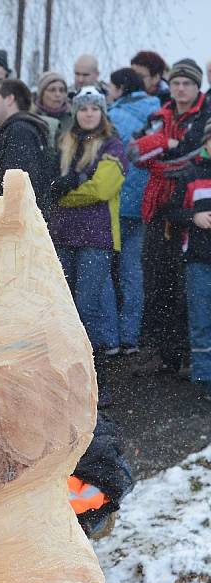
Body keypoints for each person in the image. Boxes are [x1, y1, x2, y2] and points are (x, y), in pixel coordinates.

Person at [128, 58, 211, 377]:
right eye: (175, 82)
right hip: (159, 208)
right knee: (157, 282)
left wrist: (163, 157)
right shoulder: (159, 115)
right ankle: (167, 356)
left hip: (194, 205)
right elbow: (135, 153)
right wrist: (164, 142)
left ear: (197, 85)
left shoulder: (205, 115)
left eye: (187, 83)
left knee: (190, 286)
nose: (180, 88)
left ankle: (193, 357)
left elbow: (193, 155)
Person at [48, 86, 127, 406]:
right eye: (83, 108)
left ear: (102, 112)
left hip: (96, 237)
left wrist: (66, 194)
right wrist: (59, 189)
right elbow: (52, 180)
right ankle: (63, 379)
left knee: (87, 309)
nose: (89, 113)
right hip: (64, 234)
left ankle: (96, 381)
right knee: (62, 310)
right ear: (76, 112)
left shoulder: (113, 145)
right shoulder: (65, 142)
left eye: (95, 108)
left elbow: (102, 188)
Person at [107, 68, 161, 354]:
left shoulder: (113, 116)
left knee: (103, 272)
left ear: (120, 88)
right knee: (133, 274)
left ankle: (110, 338)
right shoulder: (157, 112)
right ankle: (131, 337)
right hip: (143, 204)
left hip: (115, 202)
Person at [168, 124, 211, 399]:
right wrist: (192, 218)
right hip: (198, 259)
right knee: (201, 318)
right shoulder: (191, 173)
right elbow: (170, 210)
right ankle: (204, 376)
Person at [0, 79, 52, 210]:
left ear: (9, 99)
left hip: (8, 225)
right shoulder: (9, 132)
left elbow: (18, 191)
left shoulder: (20, 132)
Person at [33, 71, 71, 145]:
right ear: (41, 94)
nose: (58, 94)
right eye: (52, 90)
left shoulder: (73, 119)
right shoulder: (32, 117)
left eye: (62, 90)